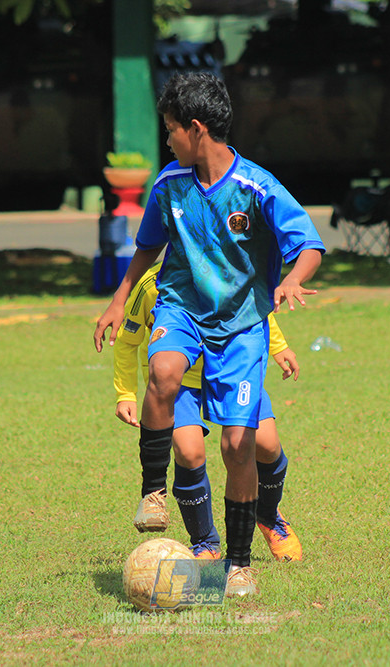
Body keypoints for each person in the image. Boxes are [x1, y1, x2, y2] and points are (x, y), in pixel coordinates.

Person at [93, 72, 324, 597]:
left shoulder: (257, 187)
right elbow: (147, 249)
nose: (167, 140)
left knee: (239, 446)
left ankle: (238, 563)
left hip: (241, 328)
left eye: (171, 130)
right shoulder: (169, 186)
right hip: (181, 308)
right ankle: (154, 493)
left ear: (196, 129)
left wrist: (291, 279)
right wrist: (115, 302)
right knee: (164, 371)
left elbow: (309, 243)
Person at [114, 263, 303, 563]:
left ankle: (268, 516)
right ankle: (205, 542)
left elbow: (254, 309)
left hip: (232, 370)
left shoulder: (228, 266)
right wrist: (126, 393)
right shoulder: (152, 285)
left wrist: (279, 347)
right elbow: (127, 340)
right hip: (182, 384)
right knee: (189, 453)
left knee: (266, 445)